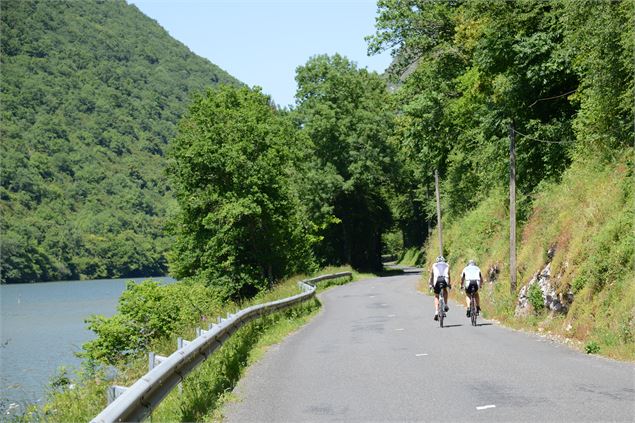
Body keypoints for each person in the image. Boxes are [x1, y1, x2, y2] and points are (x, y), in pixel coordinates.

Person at [428, 256, 451, 321]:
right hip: (444, 280)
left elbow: (431, 276)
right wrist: (449, 284)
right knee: (445, 291)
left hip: (436, 281)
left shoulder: (434, 265)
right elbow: (449, 275)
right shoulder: (447, 265)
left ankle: (436, 311)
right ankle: (446, 304)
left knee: (436, 296)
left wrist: (430, 284)